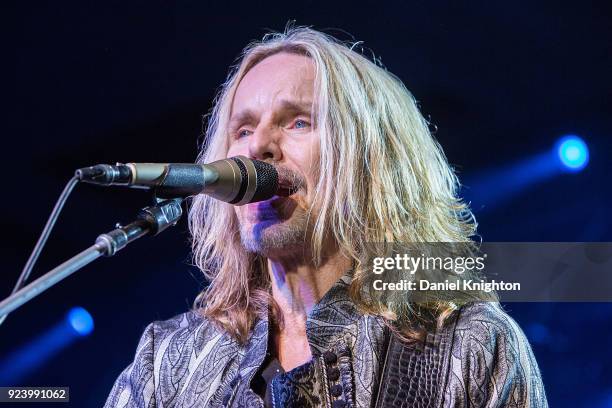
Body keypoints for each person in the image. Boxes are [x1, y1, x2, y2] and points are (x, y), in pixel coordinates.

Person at [104, 26, 547, 407]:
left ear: (372, 162)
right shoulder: (169, 361)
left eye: (297, 122)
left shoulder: (470, 345)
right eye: (242, 129)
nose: (258, 146)